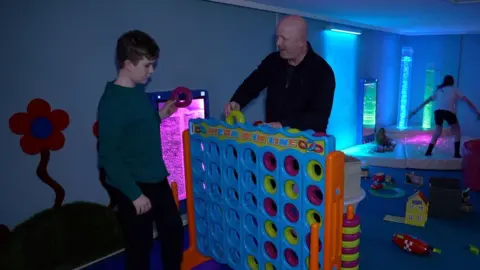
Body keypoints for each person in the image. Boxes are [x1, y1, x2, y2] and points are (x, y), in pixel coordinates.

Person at [97, 30, 184, 270]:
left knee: (173, 231)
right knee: (140, 244)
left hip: (155, 177)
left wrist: (159, 116)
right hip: (132, 183)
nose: (151, 71)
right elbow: (108, 155)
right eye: (147, 66)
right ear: (127, 64)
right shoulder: (112, 102)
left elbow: (135, 130)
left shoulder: (136, 91)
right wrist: (134, 194)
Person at [224, 15, 336, 133]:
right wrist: (237, 101)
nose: (278, 43)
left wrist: (283, 125)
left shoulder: (322, 72)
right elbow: (253, 83)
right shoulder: (273, 61)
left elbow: (319, 118)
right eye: (278, 37)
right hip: (274, 142)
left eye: (284, 39)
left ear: (301, 42)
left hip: (307, 145)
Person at [409, 75, 480, 158]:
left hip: (438, 112)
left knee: (437, 132)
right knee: (457, 132)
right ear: (452, 82)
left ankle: (428, 151)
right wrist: (477, 112)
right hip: (448, 112)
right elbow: (467, 101)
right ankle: (456, 154)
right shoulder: (454, 90)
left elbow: (427, 101)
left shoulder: (439, 90)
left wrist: (415, 110)